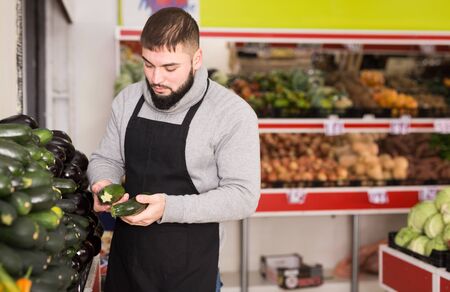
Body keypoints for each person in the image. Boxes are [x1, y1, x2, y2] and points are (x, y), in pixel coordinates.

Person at [87, 7, 260, 292]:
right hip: (127, 262)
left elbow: (244, 196)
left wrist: (167, 208)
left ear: (197, 59)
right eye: (148, 64)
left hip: (190, 269)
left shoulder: (232, 113)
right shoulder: (128, 100)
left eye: (170, 68)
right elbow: (106, 158)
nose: (156, 78)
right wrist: (102, 183)